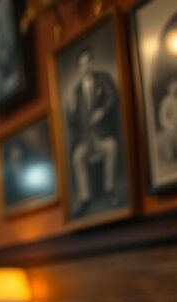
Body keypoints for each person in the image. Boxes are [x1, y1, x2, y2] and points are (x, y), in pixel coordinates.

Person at [67, 48, 120, 211]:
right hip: (85, 139)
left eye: (88, 62)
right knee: (77, 157)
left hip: (102, 135)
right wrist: (71, 108)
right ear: (79, 68)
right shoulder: (76, 90)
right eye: (82, 64)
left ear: (92, 63)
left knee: (112, 147)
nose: (86, 66)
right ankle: (85, 199)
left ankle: (110, 190)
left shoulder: (103, 78)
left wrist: (102, 111)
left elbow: (113, 96)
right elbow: (73, 122)